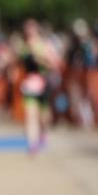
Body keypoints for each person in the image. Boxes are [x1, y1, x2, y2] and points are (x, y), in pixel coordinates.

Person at [18, 18, 62, 155]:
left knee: (43, 116)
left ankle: (43, 133)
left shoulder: (44, 45)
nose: (29, 31)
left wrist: (40, 59)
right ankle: (32, 143)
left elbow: (55, 64)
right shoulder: (23, 47)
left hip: (43, 83)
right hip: (29, 84)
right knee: (31, 114)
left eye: (31, 28)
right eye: (27, 29)